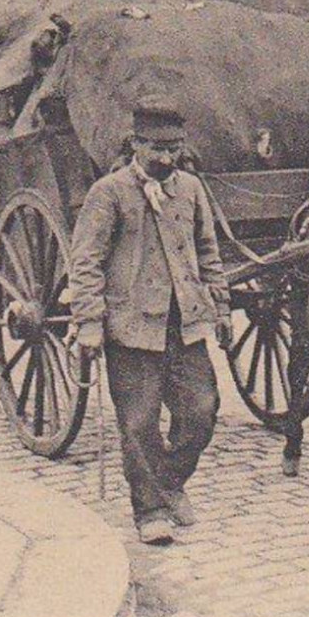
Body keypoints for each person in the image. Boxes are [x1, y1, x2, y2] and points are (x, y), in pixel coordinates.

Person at [68, 98, 232, 546]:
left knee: (202, 411)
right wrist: (88, 321)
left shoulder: (192, 190)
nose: (165, 158)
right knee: (139, 423)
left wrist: (220, 304)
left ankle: (169, 481)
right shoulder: (110, 192)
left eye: (174, 148)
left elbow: (208, 253)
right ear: (136, 144)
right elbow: (85, 261)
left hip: (187, 325)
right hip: (131, 327)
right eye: (156, 148)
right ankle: (151, 510)